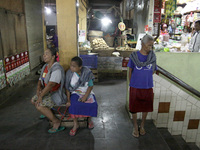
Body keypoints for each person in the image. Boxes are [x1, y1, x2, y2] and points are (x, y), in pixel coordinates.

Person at [31, 47, 66, 133]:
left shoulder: (56, 68)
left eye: (47, 54)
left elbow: (51, 84)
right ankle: (47, 113)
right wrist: (38, 89)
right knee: (33, 100)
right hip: (47, 92)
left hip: (55, 94)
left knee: (39, 104)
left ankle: (56, 121)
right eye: (44, 54)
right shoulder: (45, 67)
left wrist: (41, 96)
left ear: (53, 56)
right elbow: (40, 79)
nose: (44, 56)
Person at [128, 34, 157, 138]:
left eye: (152, 46)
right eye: (148, 45)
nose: (150, 48)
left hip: (148, 86)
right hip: (135, 86)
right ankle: (135, 126)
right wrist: (133, 83)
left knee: (146, 108)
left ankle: (142, 125)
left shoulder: (152, 56)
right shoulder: (134, 56)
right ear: (142, 44)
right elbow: (130, 71)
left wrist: (145, 77)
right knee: (134, 108)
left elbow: (153, 70)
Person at [65, 56, 98, 136]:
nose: (71, 68)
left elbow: (90, 86)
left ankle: (89, 120)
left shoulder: (87, 72)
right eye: (71, 65)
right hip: (75, 92)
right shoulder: (69, 73)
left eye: (74, 66)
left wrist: (85, 97)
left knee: (93, 104)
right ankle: (75, 124)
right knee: (73, 105)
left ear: (80, 67)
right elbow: (67, 88)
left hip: (86, 92)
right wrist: (68, 100)